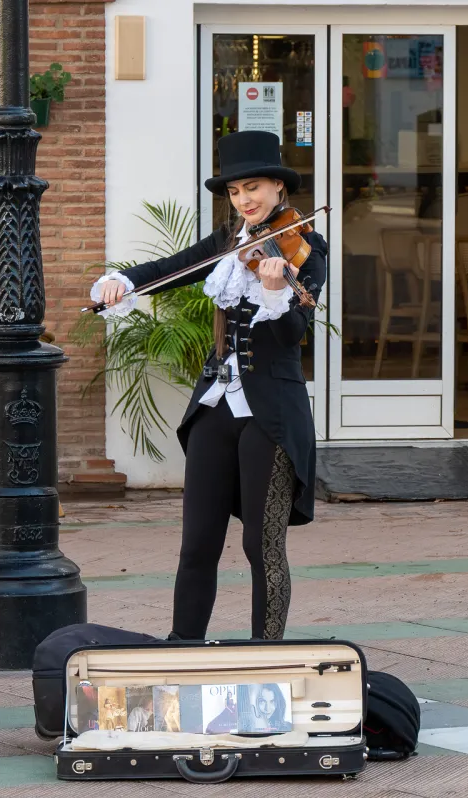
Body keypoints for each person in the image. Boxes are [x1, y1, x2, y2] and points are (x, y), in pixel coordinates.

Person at [90, 130, 326, 641]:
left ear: (280, 188)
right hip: (214, 408)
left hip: (272, 415)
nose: (245, 200)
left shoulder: (306, 247)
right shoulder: (226, 242)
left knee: (262, 547)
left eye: (255, 188)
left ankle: (268, 653)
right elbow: (170, 269)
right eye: (236, 191)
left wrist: (274, 288)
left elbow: (292, 335)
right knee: (197, 543)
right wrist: (122, 281)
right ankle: (183, 646)